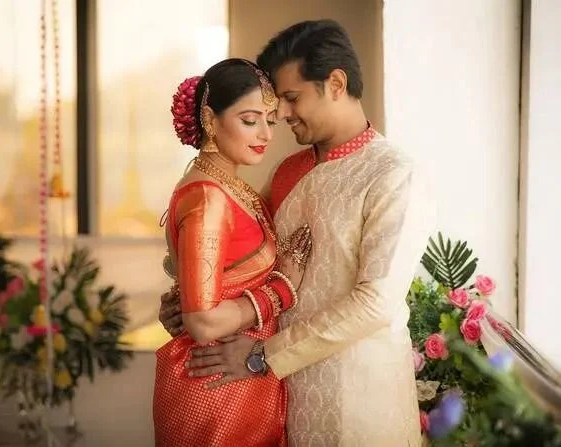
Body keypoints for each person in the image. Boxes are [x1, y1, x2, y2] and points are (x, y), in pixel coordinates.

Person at [160, 20, 436, 446]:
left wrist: (263, 356)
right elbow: (236, 256)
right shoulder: (288, 171)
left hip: (355, 398)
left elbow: (376, 302)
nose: (283, 115)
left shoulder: (393, 175)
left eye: (291, 98)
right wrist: (186, 299)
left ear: (336, 84)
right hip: (275, 399)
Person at [153, 58, 312, 447]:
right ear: (210, 119)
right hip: (215, 389)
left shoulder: (228, 187)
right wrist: (282, 290)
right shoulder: (208, 198)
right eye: (250, 120)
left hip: (233, 380)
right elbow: (203, 323)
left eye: (269, 121)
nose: (265, 134)